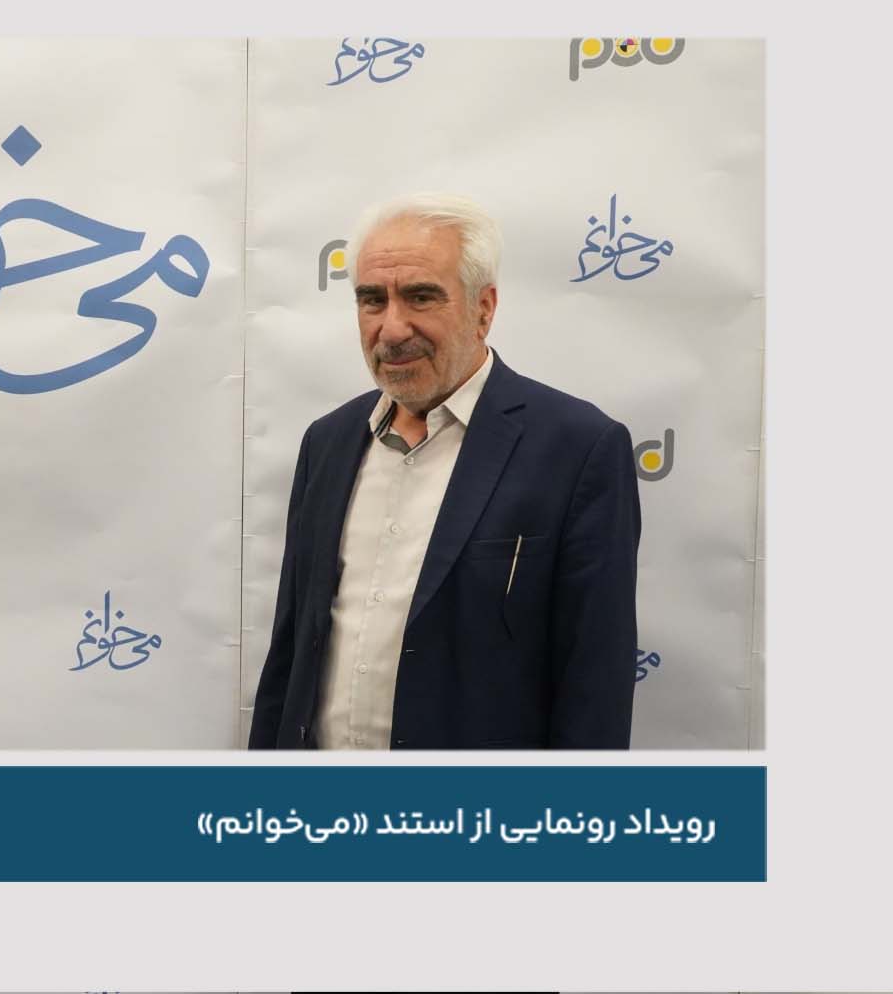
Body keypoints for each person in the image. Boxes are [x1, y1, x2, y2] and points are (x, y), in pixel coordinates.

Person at [250, 194, 639, 750]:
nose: (391, 328)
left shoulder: (578, 450)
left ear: (484, 308)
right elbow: (290, 654)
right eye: (372, 300)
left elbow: (594, 688)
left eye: (421, 296)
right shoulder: (327, 443)